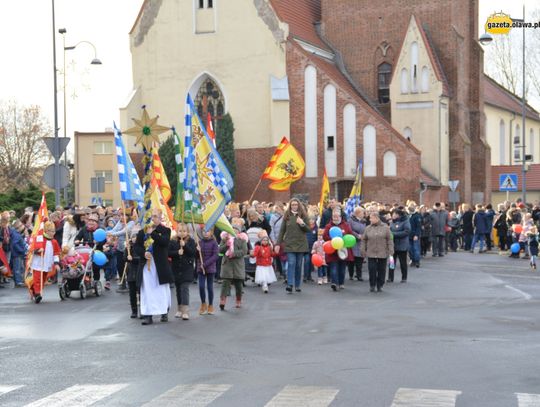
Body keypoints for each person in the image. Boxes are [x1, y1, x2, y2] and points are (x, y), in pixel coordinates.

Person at [134, 209, 173, 325]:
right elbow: (136, 247)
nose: (153, 218)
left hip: (160, 266)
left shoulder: (165, 230)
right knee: (147, 290)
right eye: (152, 216)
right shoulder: (143, 232)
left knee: (161, 290)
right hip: (147, 266)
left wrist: (153, 234)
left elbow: (164, 242)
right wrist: (143, 253)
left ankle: (163, 312)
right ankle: (148, 315)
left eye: (156, 216)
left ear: (161, 218)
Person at [275, 198, 310, 293]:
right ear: (290, 206)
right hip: (289, 244)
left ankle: (297, 285)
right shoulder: (287, 216)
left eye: (296, 204)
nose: (294, 206)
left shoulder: (303, 216)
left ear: (299, 206)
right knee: (291, 263)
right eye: (293, 205)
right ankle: (290, 284)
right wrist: (278, 244)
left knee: (298, 266)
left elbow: (308, 229)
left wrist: (302, 223)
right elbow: (282, 231)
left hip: (301, 244)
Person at [28, 221, 61, 303]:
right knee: (37, 279)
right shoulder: (39, 238)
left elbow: (56, 253)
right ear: (46, 231)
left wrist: (56, 263)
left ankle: (33, 289)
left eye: (54, 231)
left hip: (47, 263)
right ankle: (37, 294)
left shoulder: (54, 242)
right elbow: (31, 249)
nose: (53, 233)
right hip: (38, 263)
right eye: (51, 231)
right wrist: (38, 250)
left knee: (43, 279)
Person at [168, 223, 196, 320]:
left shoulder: (191, 241)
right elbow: (168, 253)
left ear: (187, 232)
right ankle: (179, 309)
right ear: (177, 231)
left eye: (184, 231)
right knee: (178, 289)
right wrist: (177, 253)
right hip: (176, 269)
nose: (182, 233)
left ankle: (185, 310)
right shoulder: (173, 241)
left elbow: (193, 253)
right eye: (180, 231)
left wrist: (185, 246)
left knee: (184, 288)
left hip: (187, 269)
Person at [361, 212, 394, 293]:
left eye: (371, 218)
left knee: (381, 270)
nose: (370, 219)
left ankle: (380, 285)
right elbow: (364, 239)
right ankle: (372, 285)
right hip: (371, 252)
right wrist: (363, 249)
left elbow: (389, 239)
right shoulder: (368, 228)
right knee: (372, 269)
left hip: (382, 252)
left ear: (376, 218)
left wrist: (391, 250)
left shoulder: (385, 227)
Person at [219, 222, 248, 310]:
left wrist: (234, 253)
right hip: (227, 265)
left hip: (237, 265)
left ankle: (238, 299)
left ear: (239, 232)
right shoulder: (225, 239)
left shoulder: (242, 240)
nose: (233, 231)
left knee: (238, 285)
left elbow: (244, 251)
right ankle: (222, 300)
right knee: (225, 284)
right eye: (232, 229)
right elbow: (220, 250)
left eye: (236, 230)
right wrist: (226, 245)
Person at [323, 210, 354, 291]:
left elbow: (350, 235)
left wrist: (342, 239)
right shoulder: (328, 226)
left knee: (342, 268)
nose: (335, 218)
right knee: (333, 268)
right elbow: (325, 236)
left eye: (337, 216)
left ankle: (341, 283)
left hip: (343, 251)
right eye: (334, 216)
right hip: (332, 251)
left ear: (340, 217)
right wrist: (334, 240)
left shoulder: (346, 225)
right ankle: (334, 283)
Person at [197, 228, 219, 315]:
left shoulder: (214, 243)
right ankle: (203, 304)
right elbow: (196, 256)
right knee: (201, 286)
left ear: (211, 232)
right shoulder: (199, 242)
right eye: (204, 231)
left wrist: (205, 264)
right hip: (200, 268)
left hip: (210, 268)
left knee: (210, 287)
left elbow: (215, 256)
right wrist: (197, 250)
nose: (206, 233)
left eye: (208, 231)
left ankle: (210, 305)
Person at [388, 208, 411, 283]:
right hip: (392, 246)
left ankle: (404, 277)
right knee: (391, 262)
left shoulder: (405, 221)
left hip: (402, 245)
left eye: (393, 214)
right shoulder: (391, 222)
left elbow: (407, 231)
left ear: (398, 215)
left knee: (402, 262)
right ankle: (390, 277)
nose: (392, 215)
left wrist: (394, 234)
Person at [348, 207, 366, 280]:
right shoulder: (351, 220)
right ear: (357, 213)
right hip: (353, 242)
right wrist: (357, 235)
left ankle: (359, 275)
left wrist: (364, 235)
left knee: (360, 259)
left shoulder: (364, 221)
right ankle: (351, 274)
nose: (364, 214)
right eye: (362, 213)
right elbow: (350, 230)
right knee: (352, 260)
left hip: (361, 242)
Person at [125, 230, 140, 319]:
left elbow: (141, 258)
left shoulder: (141, 247)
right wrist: (127, 253)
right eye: (133, 237)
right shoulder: (128, 248)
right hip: (131, 272)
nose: (135, 238)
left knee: (141, 292)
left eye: (136, 236)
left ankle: (143, 310)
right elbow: (125, 258)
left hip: (139, 271)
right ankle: (134, 310)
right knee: (132, 293)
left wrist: (133, 259)